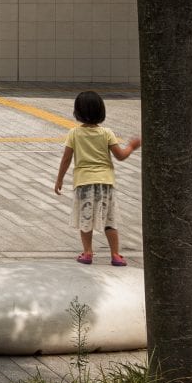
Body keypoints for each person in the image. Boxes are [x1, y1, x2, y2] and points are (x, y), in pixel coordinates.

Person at [55, 90, 140, 266]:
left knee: (86, 220)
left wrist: (59, 179)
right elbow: (120, 156)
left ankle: (87, 253)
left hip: (84, 183)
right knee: (110, 220)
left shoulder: (74, 134)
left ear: (77, 112)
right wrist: (131, 146)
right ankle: (115, 254)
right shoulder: (107, 133)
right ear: (101, 111)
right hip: (106, 183)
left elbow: (66, 158)